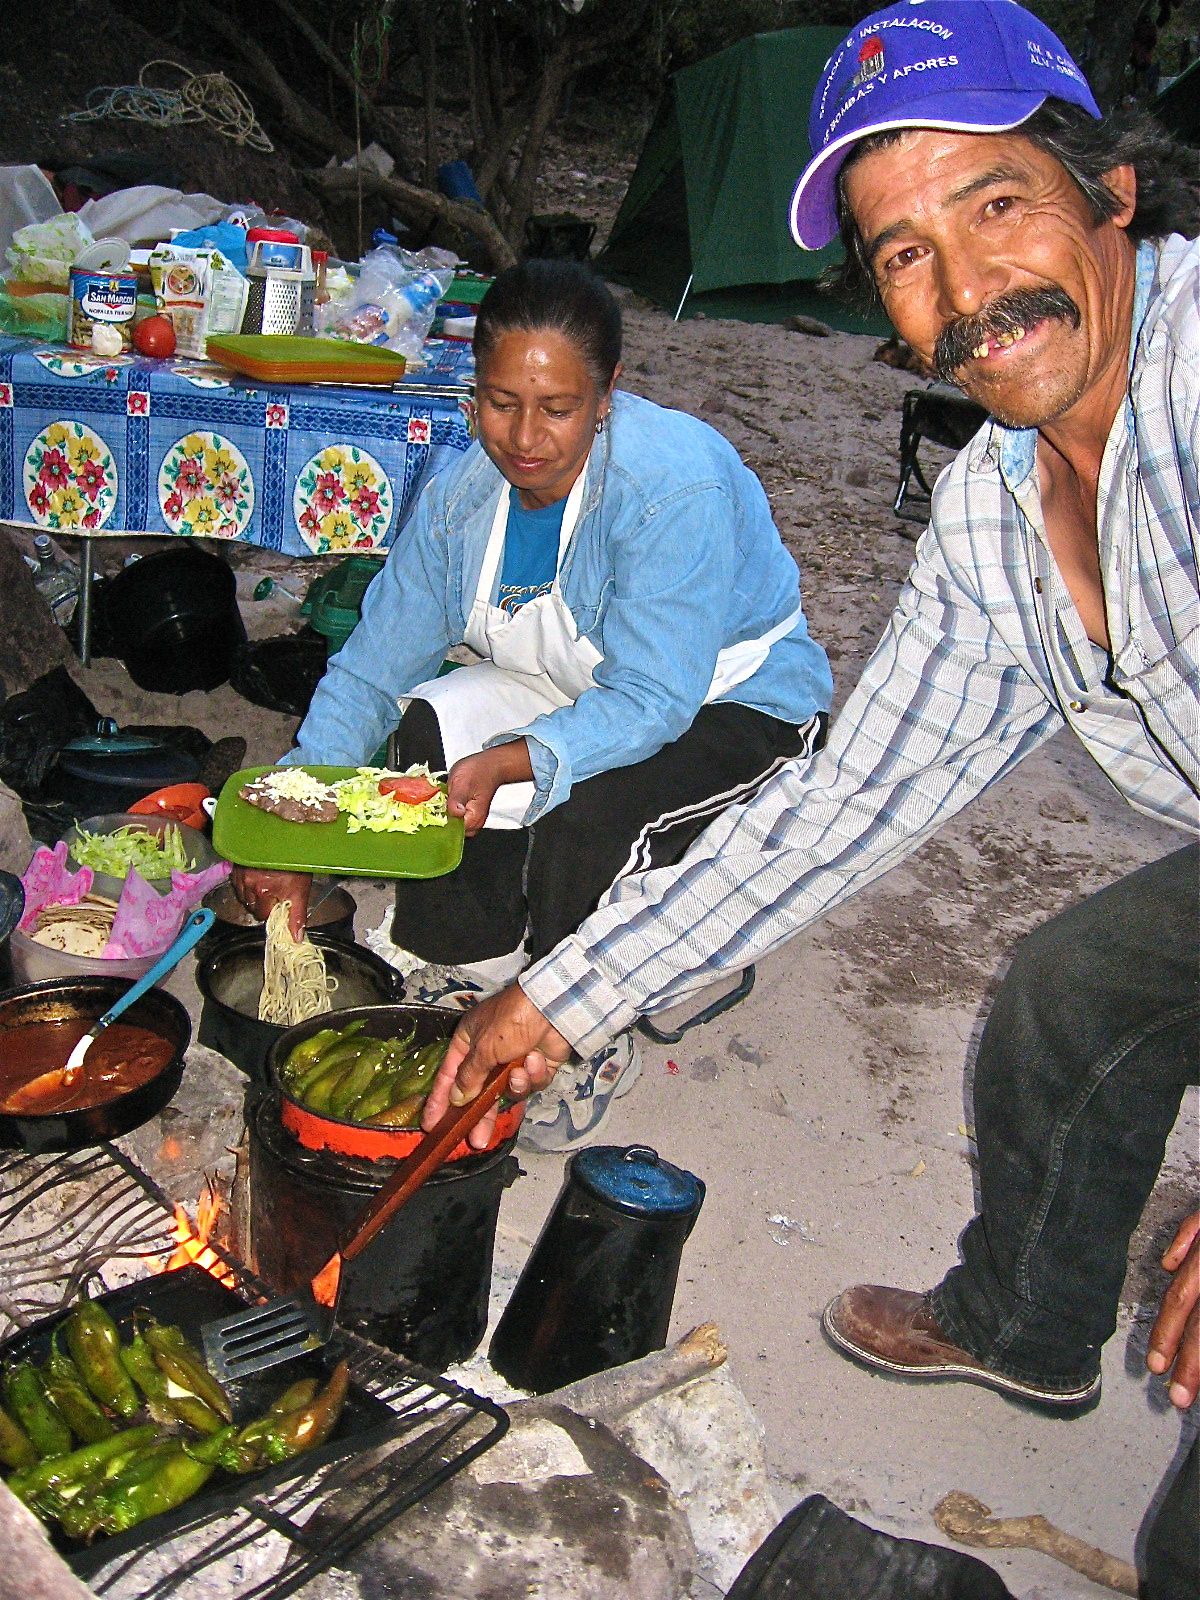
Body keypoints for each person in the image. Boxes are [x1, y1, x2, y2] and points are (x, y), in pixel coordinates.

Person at [423, 3, 1196, 1586]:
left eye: (996, 205)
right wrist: (561, 998)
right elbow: (840, 806)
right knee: (1071, 989)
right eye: (905, 254)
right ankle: (1024, 1324)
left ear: (1114, 194)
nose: (969, 290)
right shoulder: (995, 516)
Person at [234, 258, 832, 1150]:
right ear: (472, 391)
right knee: (426, 733)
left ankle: (583, 1030)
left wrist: (522, 756)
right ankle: (460, 968)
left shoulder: (674, 486)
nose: (524, 437)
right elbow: (370, 672)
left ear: (608, 394)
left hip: (731, 702)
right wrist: (296, 825)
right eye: (500, 400)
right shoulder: (460, 494)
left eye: (558, 408)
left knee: (586, 820)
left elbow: (655, 698)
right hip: (586, 686)